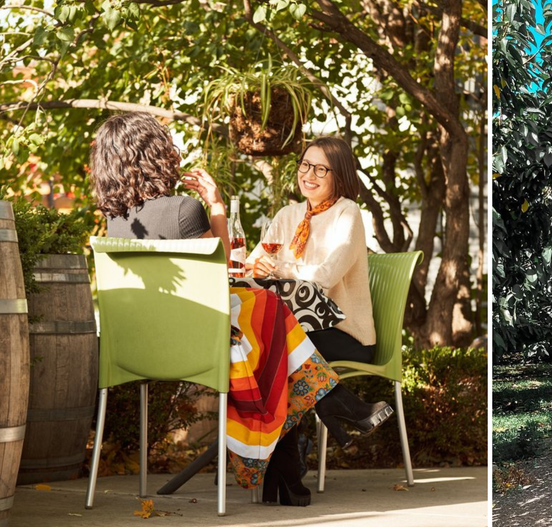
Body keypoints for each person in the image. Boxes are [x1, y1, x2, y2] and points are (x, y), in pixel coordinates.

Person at [89, 112, 392, 506]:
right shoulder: (185, 210)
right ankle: (333, 407)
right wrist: (214, 204)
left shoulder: (115, 224)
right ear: (155, 156)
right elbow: (221, 275)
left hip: (139, 349)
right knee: (265, 317)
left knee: (264, 319)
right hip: (204, 347)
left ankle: (287, 477)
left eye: (322, 169)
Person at [247, 137, 378, 399]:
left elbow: (325, 276)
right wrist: (259, 268)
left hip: (345, 333)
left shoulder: (347, 213)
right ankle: (346, 410)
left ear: (338, 175)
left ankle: (283, 440)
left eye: (321, 169)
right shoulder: (287, 214)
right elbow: (253, 264)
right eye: (305, 165)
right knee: (256, 341)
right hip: (298, 328)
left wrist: (280, 268)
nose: (309, 174)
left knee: (272, 347)